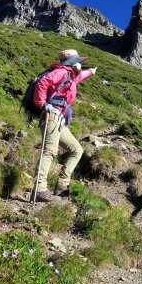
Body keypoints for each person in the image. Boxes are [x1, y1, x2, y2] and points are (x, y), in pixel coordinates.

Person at [32, 49, 97, 202]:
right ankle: (40, 189)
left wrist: (91, 71)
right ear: (72, 62)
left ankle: (62, 186)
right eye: (79, 61)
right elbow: (43, 82)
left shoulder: (70, 75)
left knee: (76, 150)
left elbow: (80, 76)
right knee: (49, 151)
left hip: (59, 119)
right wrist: (43, 104)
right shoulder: (60, 72)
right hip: (51, 115)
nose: (80, 64)